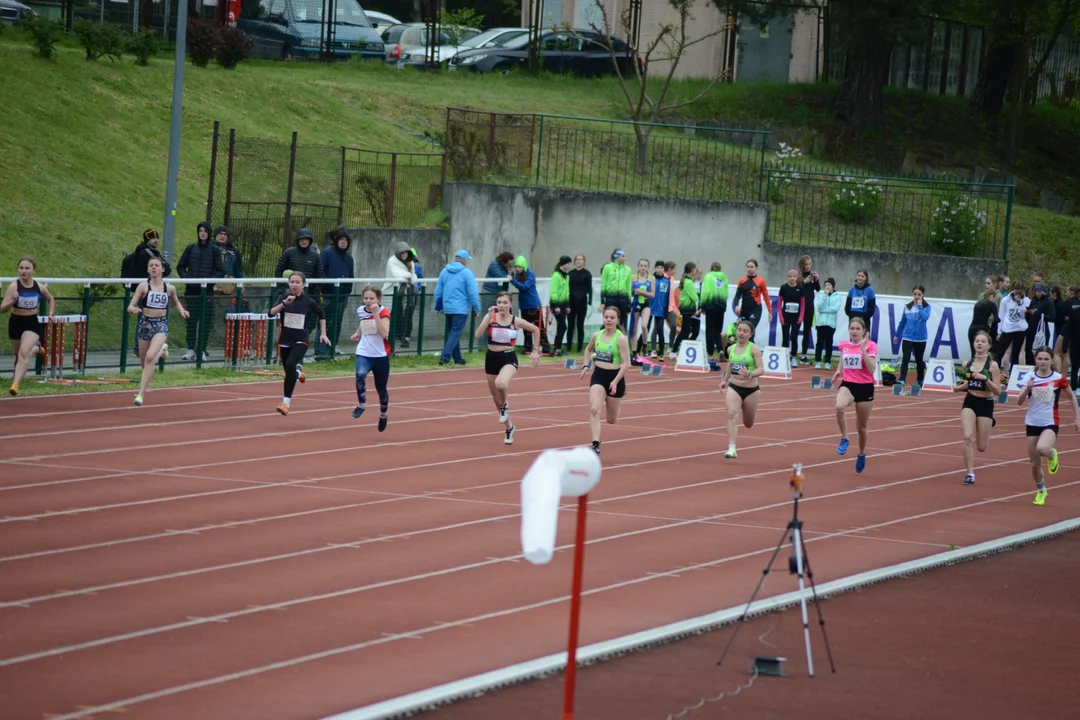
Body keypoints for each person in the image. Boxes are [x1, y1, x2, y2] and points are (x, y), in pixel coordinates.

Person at [475, 292, 541, 445]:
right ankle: (509, 427)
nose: (502, 305)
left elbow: (536, 330)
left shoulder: (515, 321)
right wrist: (487, 319)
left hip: (508, 358)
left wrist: (535, 351)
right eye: (499, 302)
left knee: (501, 384)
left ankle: (505, 406)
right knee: (495, 399)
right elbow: (478, 335)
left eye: (505, 302)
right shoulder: (491, 317)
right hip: (491, 358)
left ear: (511, 304)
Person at [1018, 346, 1080, 506]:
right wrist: (1028, 389)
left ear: (1052, 361)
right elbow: (1019, 401)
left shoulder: (1059, 378)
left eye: (1046, 359)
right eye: (1040, 359)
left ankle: (1052, 455)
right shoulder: (1029, 377)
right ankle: (1041, 490)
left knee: (1042, 448)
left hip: (1050, 422)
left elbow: (1072, 397)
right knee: (1034, 464)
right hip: (1032, 422)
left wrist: (1077, 418)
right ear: (1035, 360)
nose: (1043, 362)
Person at [127, 257, 190, 407]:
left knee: (150, 357)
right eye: (151, 266)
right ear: (148, 270)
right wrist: (133, 310)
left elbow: (176, 303)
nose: (154, 267)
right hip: (145, 324)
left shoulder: (169, 289)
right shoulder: (143, 287)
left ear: (162, 269)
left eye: (157, 265)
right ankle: (162, 351)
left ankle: (141, 394)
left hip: (160, 325)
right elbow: (130, 306)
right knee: (145, 363)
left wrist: (182, 311)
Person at [271, 272, 329, 415]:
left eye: (298, 282)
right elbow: (270, 313)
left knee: (290, 364)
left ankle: (285, 403)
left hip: (301, 339)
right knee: (289, 371)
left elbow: (321, 315)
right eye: (292, 282)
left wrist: (323, 333)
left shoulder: (308, 302)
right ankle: (298, 373)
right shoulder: (283, 298)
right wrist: (284, 304)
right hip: (285, 340)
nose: (295, 285)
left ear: (303, 284)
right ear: (289, 283)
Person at [580, 306, 631, 456]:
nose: (608, 320)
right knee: (594, 409)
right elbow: (588, 350)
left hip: (615, 377)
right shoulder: (597, 335)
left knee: (611, 420)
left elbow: (627, 363)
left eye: (612, 317)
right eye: (606, 317)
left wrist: (615, 381)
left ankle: (620, 393)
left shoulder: (620, 338)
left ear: (617, 320)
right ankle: (595, 444)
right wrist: (585, 365)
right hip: (598, 376)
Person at [953, 330, 1001, 486]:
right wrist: (961, 387)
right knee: (967, 436)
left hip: (986, 403)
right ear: (973, 344)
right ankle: (970, 474)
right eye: (977, 341)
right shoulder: (967, 364)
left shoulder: (992, 366)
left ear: (988, 346)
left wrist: (985, 378)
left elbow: (997, 391)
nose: (979, 343)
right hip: (970, 401)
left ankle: (989, 421)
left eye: (983, 341)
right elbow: (970, 383)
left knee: (981, 447)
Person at [2, 257, 55, 397]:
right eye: (21, 268)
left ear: (33, 270)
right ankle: (37, 348)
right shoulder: (14, 286)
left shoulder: (39, 286)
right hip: (16, 322)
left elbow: (51, 299)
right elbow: (2, 309)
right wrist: (13, 300)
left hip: (31, 322)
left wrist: (51, 313)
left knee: (24, 353)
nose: (23, 271)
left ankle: (15, 385)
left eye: (27, 268)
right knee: (18, 355)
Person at [832, 317, 878, 473]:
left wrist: (863, 350)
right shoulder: (844, 345)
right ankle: (844, 438)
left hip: (865, 387)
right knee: (839, 406)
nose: (854, 331)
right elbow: (843, 357)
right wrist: (839, 370)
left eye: (858, 329)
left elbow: (872, 369)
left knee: (861, 428)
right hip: (849, 384)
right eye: (852, 328)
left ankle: (861, 453)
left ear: (864, 331)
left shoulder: (871, 346)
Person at [176, 221, 224, 362]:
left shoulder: (215, 250)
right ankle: (190, 349)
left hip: (207, 292)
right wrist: (187, 278)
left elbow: (221, 270)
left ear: (209, 233)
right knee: (191, 321)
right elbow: (181, 266)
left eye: (205, 231)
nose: (202, 233)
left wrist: (209, 281)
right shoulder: (191, 248)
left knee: (205, 321)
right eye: (200, 230)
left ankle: (201, 349)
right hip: (191, 291)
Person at [349, 285, 392, 432]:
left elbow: (385, 333)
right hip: (364, 352)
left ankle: (383, 413)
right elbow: (364, 322)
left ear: (378, 299)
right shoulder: (361, 310)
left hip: (380, 355)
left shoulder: (384, 312)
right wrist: (357, 333)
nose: (368, 301)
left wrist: (375, 314)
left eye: (371, 298)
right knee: (360, 375)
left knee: (381, 390)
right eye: (366, 298)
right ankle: (361, 405)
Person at [719, 319, 764, 459]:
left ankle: (748, 412)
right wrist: (725, 381)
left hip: (751, 389)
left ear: (750, 334)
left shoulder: (754, 349)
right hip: (734, 387)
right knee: (732, 414)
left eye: (745, 331)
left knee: (748, 423)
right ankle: (732, 448)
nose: (741, 333)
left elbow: (761, 369)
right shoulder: (730, 348)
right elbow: (730, 365)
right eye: (739, 330)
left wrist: (749, 374)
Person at [434, 250, 482, 366]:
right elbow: (473, 292)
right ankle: (445, 357)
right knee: (455, 333)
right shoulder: (467, 273)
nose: (468, 262)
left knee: (453, 333)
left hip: (448, 308)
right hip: (460, 308)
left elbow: (438, 291)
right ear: (464, 260)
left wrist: (439, 306)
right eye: (467, 259)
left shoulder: (445, 271)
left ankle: (458, 358)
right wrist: (477, 308)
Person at [317, 228, 354, 360]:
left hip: (342, 297)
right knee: (325, 324)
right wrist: (330, 286)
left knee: (337, 324)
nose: (344, 242)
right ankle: (321, 352)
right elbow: (321, 271)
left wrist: (348, 290)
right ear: (337, 240)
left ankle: (332, 349)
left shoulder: (349, 258)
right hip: (328, 295)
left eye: (346, 241)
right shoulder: (327, 253)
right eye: (341, 240)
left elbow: (351, 276)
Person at [894, 285, 932, 388]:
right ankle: (902, 379)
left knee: (919, 359)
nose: (917, 296)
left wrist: (920, 306)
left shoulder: (927, 307)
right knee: (905, 358)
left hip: (921, 338)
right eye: (915, 294)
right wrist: (897, 335)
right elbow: (902, 322)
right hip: (907, 337)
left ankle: (920, 380)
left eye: (919, 294)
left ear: (923, 295)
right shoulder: (907, 307)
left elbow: (925, 318)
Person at [383, 242, 419, 349]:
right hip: (392, 292)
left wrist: (410, 277)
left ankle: (403, 338)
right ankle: (388, 339)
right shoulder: (392, 261)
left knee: (406, 315)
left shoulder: (410, 263)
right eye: (402, 253)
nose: (404, 255)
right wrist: (409, 276)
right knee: (389, 315)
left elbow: (414, 278)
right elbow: (396, 275)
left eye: (406, 253)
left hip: (407, 294)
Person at [509, 256, 543, 354]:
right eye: (517, 267)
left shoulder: (530, 274)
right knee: (526, 328)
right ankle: (527, 347)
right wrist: (512, 276)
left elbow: (525, 287)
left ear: (524, 266)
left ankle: (544, 347)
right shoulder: (518, 275)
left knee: (539, 327)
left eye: (520, 267)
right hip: (524, 305)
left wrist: (512, 280)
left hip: (533, 304)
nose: (518, 269)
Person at [732, 259, 771, 342]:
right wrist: (736, 306)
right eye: (748, 267)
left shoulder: (761, 281)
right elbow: (737, 296)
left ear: (756, 268)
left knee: (750, 329)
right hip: (744, 309)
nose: (749, 269)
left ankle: (751, 351)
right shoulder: (742, 280)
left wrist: (770, 312)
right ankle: (743, 350)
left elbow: (766, 297)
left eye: (752, 267)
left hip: (755, 309)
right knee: (743, 330)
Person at [995, 281, 1030, 374]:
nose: (1018, 293)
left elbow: (1023, 315)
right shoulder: (1005, 300)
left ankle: (1012, 376)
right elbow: (1001, 316)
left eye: (1020, 291)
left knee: (1016, 354)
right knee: (1000, 353)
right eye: (1016, 290)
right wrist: (999, 332)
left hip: (1020, 329)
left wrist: (1019, 304)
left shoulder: (1026, 300)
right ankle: (995, 373)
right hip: (1007, 329)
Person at [700, 262, 728, 363]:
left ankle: (710, 354)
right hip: (721, 306)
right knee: (718, 330)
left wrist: (702, 306)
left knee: (710, 330)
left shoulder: (708, 276)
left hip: (711, 305)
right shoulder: (724, 278)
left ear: (711, 269)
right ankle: (720, 350)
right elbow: (726, 294)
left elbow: (706, 292)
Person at [670, 262, 699, 357]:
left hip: (690, 310)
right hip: (687, 309)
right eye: (695, 269)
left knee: (691, 331)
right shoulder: (688, 282)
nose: (696, 271)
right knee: (684, 331)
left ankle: (682, 350)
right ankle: (674, 351)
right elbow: (695, 297)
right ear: (692, 270)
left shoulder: (687, 281)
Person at [777, 269, 804, 366]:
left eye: (794, 276)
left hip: (796, 318)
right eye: (790, 276)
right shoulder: (783, 288)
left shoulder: (800, 288)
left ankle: (793, 357)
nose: (792, 278)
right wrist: (781, 316)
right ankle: (784, 357)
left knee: (794, 337)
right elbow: (779, 303)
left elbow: (803, 303)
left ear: (797, 278)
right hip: (785, 316)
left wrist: (801, 317)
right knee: (785, 337)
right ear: (788, 277)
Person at [814, 278, 842, 369]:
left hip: (831, 324)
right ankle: (817, 361)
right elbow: (819, 307)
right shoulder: (822, 295)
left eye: (829, 285)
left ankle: (827, 362)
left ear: (833, 286)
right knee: (819, 343)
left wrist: (824, 310)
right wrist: (825, 295)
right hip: (820, 323)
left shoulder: (837, 296)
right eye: (825, 285)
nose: (827, 287)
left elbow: (835, 309)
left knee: (829, 343)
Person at [566, 254, 592, 354]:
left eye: (580, 260)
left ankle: (580, 348)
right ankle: (568, 347)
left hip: (582, 302)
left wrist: (589, 301)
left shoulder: (587, 274)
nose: (578, 261)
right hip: (571, 302)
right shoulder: (570, 274)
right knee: (570, 325)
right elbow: (567, 288)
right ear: (574, 261)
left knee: (580, 325)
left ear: (584, 261)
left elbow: (589, 288)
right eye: (577, 259)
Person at [968, 277, 999, 359]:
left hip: (972, 329)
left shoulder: (978, 303)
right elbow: (996, 319)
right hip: (982, 329)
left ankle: (970, 369)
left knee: (973, 352)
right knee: (983, 352)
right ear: (992, 297)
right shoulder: (992, 304)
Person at [629, 258, 655, 358]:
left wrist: (642, 292)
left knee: (644, 325)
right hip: (636, 304)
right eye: (641, 266)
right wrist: (634, 292)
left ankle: (644, 345)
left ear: (648, 267)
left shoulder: (651, 278)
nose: (643, 268)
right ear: (638, 267)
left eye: (645, 266)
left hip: (646, 304)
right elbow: (630, 291)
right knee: (634, 329)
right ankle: (634, 351)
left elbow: (653, 294)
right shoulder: (633, 277)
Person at [797, 255, 820, 364]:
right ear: (802, 265)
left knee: (807, 330)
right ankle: (792, 354)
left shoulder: (812, 275)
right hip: (799, 304)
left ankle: (804, 355)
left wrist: (816, 279)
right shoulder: (797, 276)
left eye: (809, 264)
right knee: (795, 329)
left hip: (809, 304)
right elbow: (795, 288)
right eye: (806, 264)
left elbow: (818, 289)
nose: (808, 266)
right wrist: (805, 282)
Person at [598, 249, 632, 320]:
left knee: (621, 321)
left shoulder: (628, 269)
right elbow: (603, 285)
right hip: (611, 298)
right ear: (616, 256)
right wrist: (602, 302)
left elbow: (628, 287)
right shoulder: (607, 267)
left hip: (623, 299)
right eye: (622, 256)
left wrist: (629, 303)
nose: (624, 258)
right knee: (609, 320)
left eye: (625, 256)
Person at [1025, 282, 1054, 364]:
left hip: (1042, 329)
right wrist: (1027, 312)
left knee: (1041, 351)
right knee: (1029, 350)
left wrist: (1038, 314)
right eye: (1036, 291)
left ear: (1044, 292)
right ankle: (1029, 366)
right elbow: (1029, 314)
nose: (1037, 293)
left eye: (1039, 291)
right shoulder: (1033, 300)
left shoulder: (1048, 302)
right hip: (1031, 328)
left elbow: (1052, 317)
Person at [549, 256, 572, 356]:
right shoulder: (556, 275)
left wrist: (567, 305)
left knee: (561, 327)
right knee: (563, 326)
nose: (570, 266)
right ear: (564, 264)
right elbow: (554, 291)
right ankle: (556, 348)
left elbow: (566, 292)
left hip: (563, 304)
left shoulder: (566, 276)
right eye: (568, 264)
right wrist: (556, 305)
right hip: (556, 305)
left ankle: (558, 348)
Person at [648, 261, 672, 359]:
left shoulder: (666, 281)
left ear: (663, 269)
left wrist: (666, 310)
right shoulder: (650, 279)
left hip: (661, 309)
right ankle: (646, 350)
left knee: (660, 330)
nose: (659, 269)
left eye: (661, 268)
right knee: (646, 328)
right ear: (655, 268)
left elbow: (667, 296)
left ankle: (661, 353)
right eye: (658, 267)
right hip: (649, 308)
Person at [845, 270, 876, 336]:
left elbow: (871, 308)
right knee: (853, 342)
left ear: (866, 278)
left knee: (864, 342)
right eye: (858, 275)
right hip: (853, 319)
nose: (860, 278)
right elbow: (847, 306)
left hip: (864, 320)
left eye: (862, 276)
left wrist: (863, 317)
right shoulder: (852, 290)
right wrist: (850, 314)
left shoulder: (870, 290)